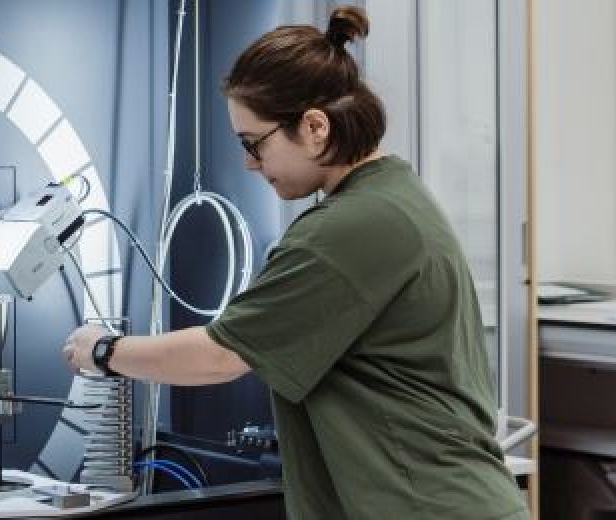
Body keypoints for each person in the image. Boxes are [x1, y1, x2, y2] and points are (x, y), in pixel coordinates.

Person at [60, 6, 528, 519]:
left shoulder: (347, 228)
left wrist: (102, 350)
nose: (249, 164)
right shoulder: (393, 197)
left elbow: (220, 355)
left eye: (253, 144)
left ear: (314, 127)